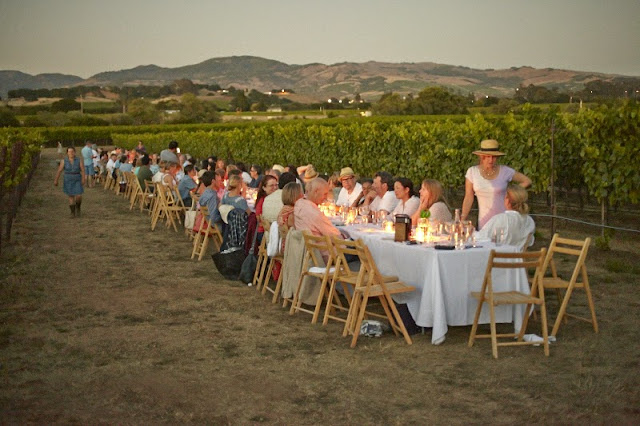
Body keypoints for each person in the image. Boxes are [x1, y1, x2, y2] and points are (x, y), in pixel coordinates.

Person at [461, 139, 532, 230]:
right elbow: (468, 197)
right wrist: (463, 218)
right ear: (482, 157)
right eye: (488, 156)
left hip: (503, 219)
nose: (491, 160)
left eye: (494, 157)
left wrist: (512, 192)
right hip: (484, 221)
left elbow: (527, 181)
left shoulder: (505, 171)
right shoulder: (472, 172)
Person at [475, 185, 535, 250]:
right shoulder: (530, 221)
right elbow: (530, 242)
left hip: (498, 258)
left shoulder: (501, 219)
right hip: (517, 259)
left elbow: (481, 237)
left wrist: (470, 231)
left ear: (508, 201)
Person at [54, 147, 85, 218]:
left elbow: (82, 170)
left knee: (79, 195)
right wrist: (56, 180)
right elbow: (59, 170)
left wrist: (83, 178)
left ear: (75, 152)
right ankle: (72, 212)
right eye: (69, 152)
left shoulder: (79, 160)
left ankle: (78, 207)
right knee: (71, 196)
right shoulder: (64, 161)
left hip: (77, 178)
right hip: (68, 179)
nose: (71, 153)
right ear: (67, 153)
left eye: (72, 151)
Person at [254, 175, 278, 245]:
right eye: (271, 186)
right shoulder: (263, 200)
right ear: (264, 188)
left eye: (276, 185)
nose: (275, 188)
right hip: (264, 233)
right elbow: (259, 218)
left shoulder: (275, 198)